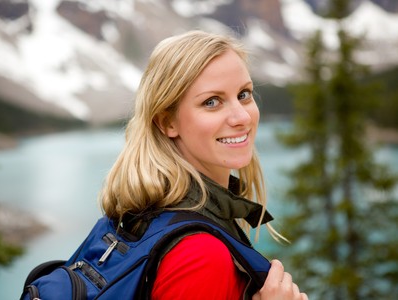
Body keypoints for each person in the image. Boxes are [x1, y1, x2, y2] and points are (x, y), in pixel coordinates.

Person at [100, 30, 307, 300]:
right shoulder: (199, 256)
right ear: (167, 122)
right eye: (212, 102)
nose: (242, 116)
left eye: (244, 94)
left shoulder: (132, 216)